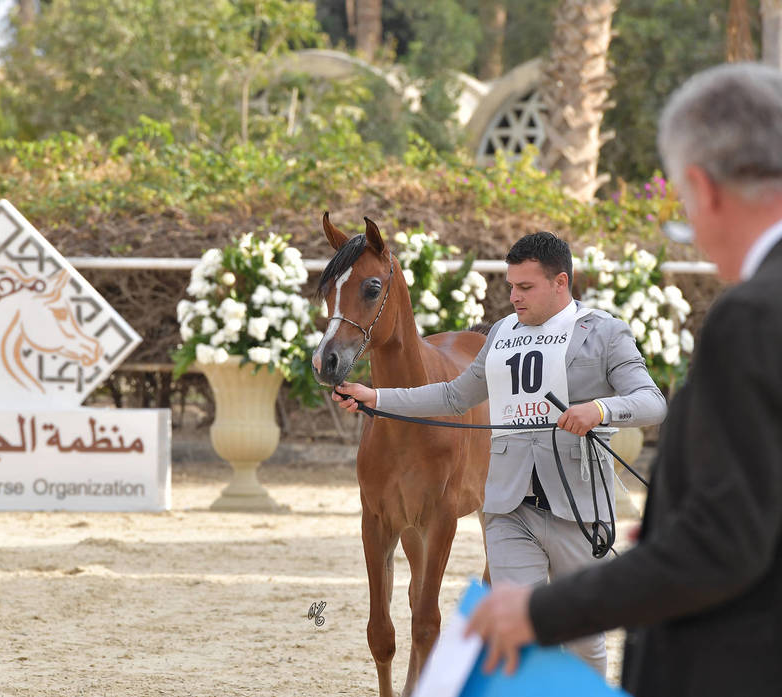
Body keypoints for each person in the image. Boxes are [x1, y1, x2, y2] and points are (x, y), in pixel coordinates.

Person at [465, 62, 782, 696]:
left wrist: (536, 612)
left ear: (704, 188)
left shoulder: (751, 316)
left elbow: (724, 544)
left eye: (685, 211)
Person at [332, 230, 667, 676]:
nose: (514, 297)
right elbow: (453, 396)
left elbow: (652, 402)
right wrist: (379, 398)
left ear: (560, 283)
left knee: (584, 643)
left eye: (525, 287)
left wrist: (601, 409)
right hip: (510, 509)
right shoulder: (503, 334)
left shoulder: (604, 332)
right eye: (511, 286)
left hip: (577, 507)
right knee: (515, 633)